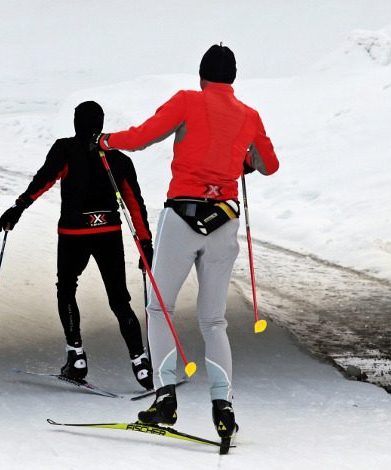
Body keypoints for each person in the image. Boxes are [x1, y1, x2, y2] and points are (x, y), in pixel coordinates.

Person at [91, 45, 279, 437]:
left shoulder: (187, 101)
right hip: (224, 221)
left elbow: (142, 138)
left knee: (160, 308)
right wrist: (243, 161)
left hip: (182, 217)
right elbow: (268, 165)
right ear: (232, 79)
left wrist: (106, 140)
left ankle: (165, 399)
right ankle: (223, 407)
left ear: (202, 76)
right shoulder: (250, 115)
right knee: (213, 320)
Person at [0, 101, 154, 391]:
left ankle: (77, 357)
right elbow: (135, 204)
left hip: (74, 233)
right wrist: (146, 244)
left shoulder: (65, 149)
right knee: (119, 300)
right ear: (101, 124)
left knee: (67, 288)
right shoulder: (118, 160)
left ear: (76, 123)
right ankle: (141, 364)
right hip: (108, 232)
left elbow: (43, 180)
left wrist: (18, 208)